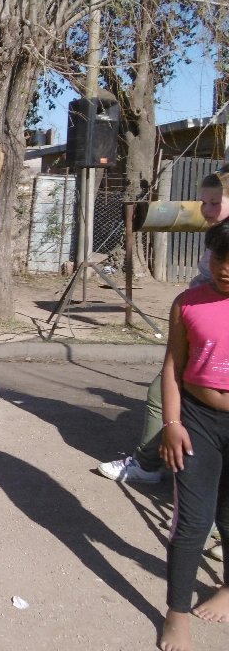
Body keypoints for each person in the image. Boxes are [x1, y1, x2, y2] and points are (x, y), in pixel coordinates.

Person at [98, 170, 229, 495]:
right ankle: (154, 464)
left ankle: (149, 465)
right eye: (203, 202)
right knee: (167, 391)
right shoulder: (216, 238)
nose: (207, 210)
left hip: (213, 337)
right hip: (202, 334)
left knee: (163, 393)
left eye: (215, 202)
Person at [157, 217, 229, 651]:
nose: (227, 269)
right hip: (198, 421)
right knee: (194, 522)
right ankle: (176, 614)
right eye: (221, 257)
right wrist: (171, 423)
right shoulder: (188, 303)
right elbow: (171, 365)